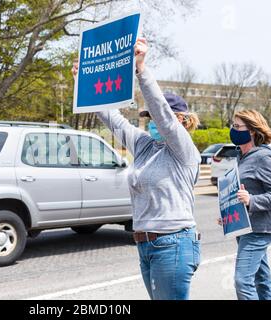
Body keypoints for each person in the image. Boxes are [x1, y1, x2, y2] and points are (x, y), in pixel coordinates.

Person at [72, 38, 202, 300]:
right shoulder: (145, 145)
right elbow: (114, 120)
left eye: (154, 118)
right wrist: (83, 84)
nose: (151, 122)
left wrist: (141, 69)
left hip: (173, 243)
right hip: (145, 243)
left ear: (179, 120)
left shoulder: (183, 150)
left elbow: (163, 115)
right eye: (148, 119)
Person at [220, 110, 271, 300]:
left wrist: (252, 200)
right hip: (243, 226)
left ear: (251, 131)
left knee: (242, 281)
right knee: (261, 279)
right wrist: (227, 213)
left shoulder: (264, 157)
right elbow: (240, 192)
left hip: (259, 229)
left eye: (237, 126)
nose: (233, 129)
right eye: (233, 125)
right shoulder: (241, 156)